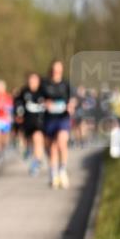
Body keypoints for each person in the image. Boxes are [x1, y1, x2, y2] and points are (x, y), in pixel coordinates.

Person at [42, 60, 75, 188]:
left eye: (58, 69)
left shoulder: (66, 84)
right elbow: (40, 99)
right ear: (51, 70)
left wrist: (71, 106)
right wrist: (45, 103)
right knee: (52, 148)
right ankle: (53, 173)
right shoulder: (45, 84)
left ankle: (62, 170)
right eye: (54, 69)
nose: (56, 71)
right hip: (49, 119)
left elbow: (73, 99)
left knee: (61, 142)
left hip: (63, 118)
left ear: (61, 70)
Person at [14, 72, 47, 176]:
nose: (32, 82)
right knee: (31, 142)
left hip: (40, 122)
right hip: (28, 122)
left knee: (38, 139)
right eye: (31, 80)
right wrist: (18, 114)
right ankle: (34, 156)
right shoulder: (24, 92)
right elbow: (18, 104)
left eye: (35, 80)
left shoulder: (43, 91)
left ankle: (36, 161)